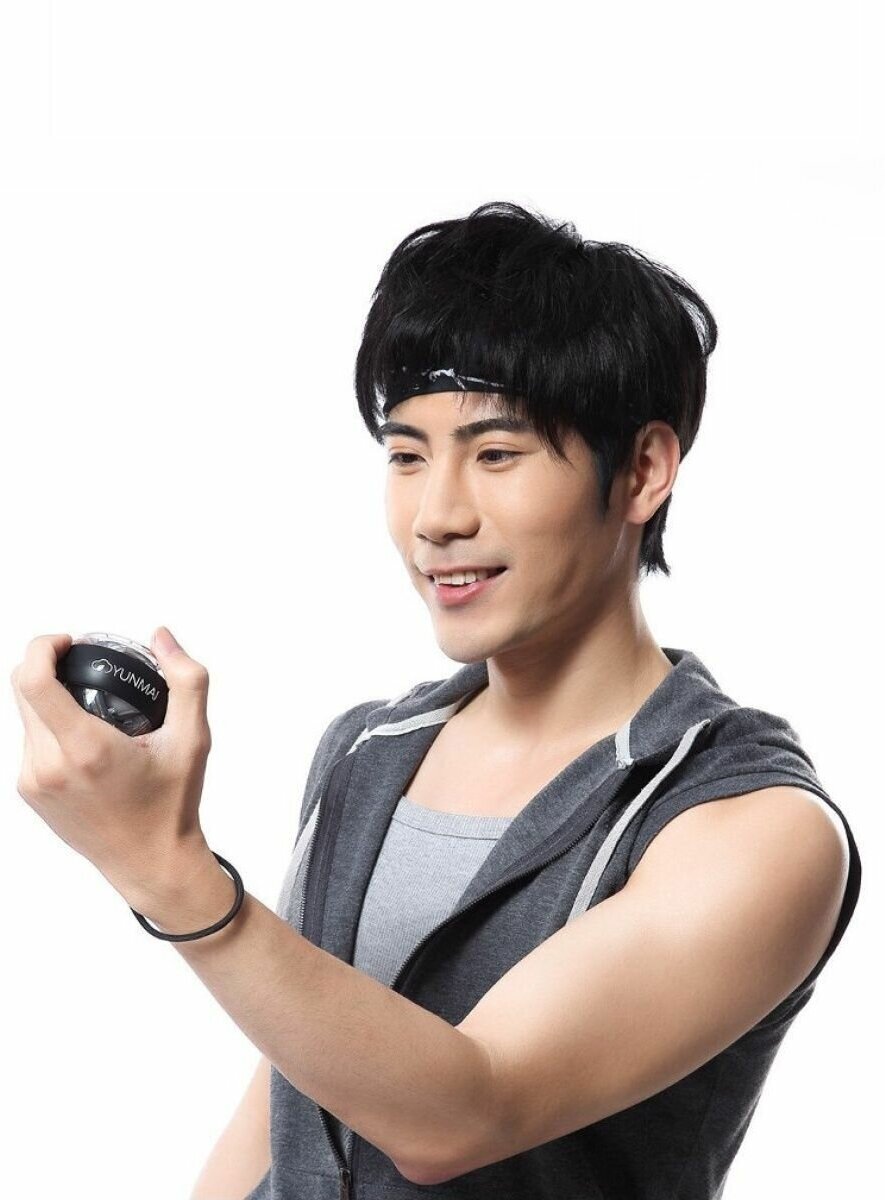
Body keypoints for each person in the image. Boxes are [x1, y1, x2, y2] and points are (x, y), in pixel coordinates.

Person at [194, 201, 861, 1200]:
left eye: (496, 454)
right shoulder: (368, 749)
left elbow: (465, 1114)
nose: (436, 516)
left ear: (642, 470)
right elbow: (288, 1087)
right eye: (407, 455)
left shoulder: (751, 825)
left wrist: (170, 877)